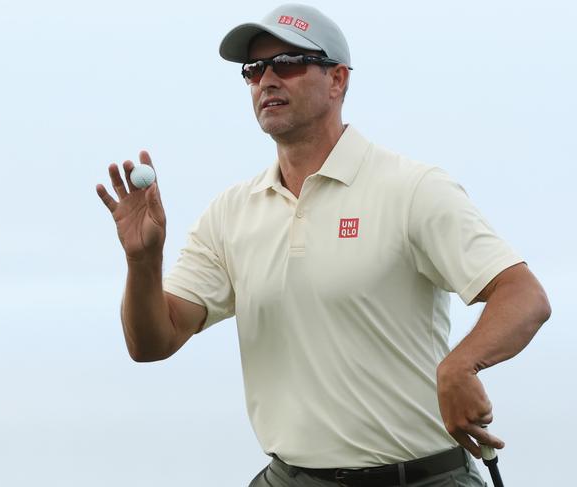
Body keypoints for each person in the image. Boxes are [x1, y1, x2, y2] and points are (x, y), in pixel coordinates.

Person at [96, 4, 551, 486]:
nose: (267, 79)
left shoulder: (412, 188)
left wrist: (462, 364)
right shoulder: (230, 212)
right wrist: (142, 262)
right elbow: (152, 342)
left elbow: (524, 296)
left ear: (337, 80)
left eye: (287, 63)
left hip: (418, 478)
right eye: (254, 70)